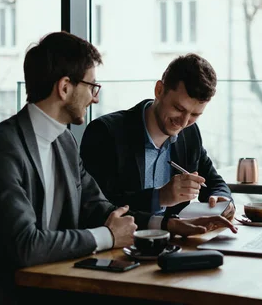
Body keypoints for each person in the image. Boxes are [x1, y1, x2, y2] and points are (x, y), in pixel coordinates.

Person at [0, 33, 236, 305]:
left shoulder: (63, 141)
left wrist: (166, 226)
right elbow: (24, 246)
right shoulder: (0, 149)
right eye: (92, 86)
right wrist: (107, 236)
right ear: (65, 87)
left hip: (46, 287)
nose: (96, 96)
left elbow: (96, 205)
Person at [80, 53, 235, 225]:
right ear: (159, 90)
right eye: (179, 108)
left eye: (195, 115)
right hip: (123, 244)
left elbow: (213, 181)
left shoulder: (190, 134)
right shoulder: (106, 133)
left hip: (175, 243)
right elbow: (98, 207)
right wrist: (159, 197)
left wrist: (222, 198)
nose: (183, 123)